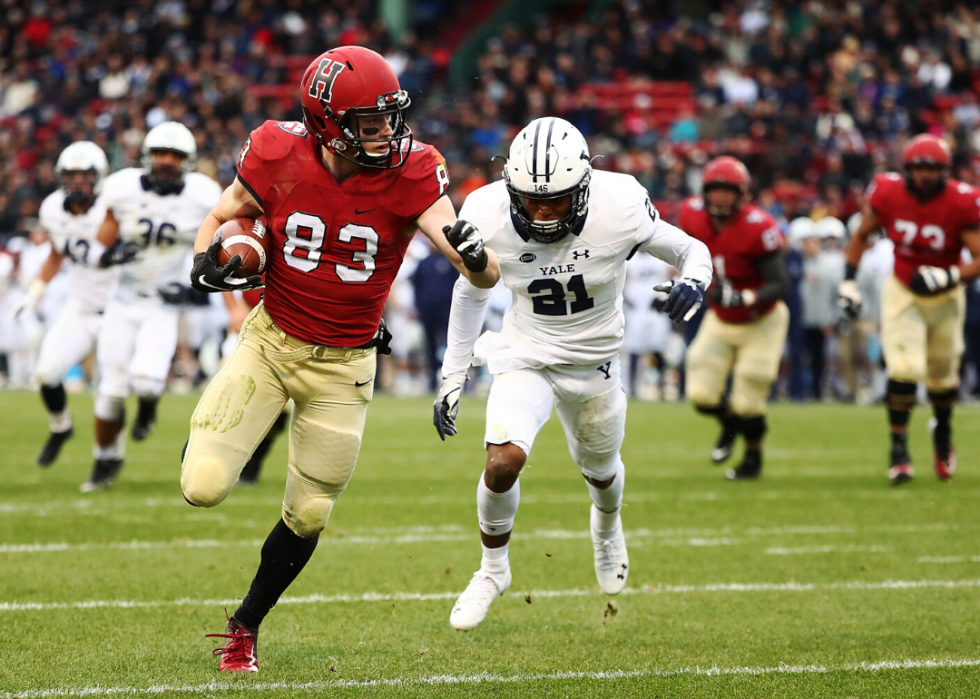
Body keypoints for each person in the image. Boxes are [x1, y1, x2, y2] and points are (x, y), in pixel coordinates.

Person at [179, 46, 500, 672]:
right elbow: (221, 218)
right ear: (326, 121)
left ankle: (245, 625)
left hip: (345, 366)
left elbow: (479, 275)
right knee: (203, 487)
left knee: (311, 511)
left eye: (389, 117)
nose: (385, 132)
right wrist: (208, 263)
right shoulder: (275, 150)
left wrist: (477, 257)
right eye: (369, 122)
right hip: (271, 343)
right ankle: (209, 433)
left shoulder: (415, 170)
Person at [433, 117, 711, 631]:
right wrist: (453, 376)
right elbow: (471, 291)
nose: (541, 212)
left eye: (556, 200)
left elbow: (691, 249)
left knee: (601, 474)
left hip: (595, 360)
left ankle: (607, 529)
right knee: (502, 460)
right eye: (531, 199)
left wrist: (695, 282)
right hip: (526, 353)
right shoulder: (486, 211)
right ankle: (492, 571)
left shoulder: (620, 203)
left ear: (583, 187)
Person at [83, 122, 222, 492]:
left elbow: (220, 247)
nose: (166, 161)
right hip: (123, 299)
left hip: (163, 303)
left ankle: (147, 408)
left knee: (146, 383)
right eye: (161, 153)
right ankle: (105, 457)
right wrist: (111, 256)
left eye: (175, 155)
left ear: (188, 161)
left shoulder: (204, 195)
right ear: (147, 154)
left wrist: (193, 287)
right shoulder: (122, 188)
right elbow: (96, 250)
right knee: (111, 392)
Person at [839, 134, 980, 485]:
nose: (925, 176)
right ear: (907, 169)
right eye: (919, 168)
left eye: (932, 169)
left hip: (947, 296)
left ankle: (943, 431)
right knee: (903, 368)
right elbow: (863, 234)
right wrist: (849, 281)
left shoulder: (963, 201)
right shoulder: (888, 193)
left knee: (942, 376)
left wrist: (947, 274)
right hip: (902, 289)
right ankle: (899, 450)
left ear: (945, 171)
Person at [680, 156, 791, 480]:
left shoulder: (759, 226)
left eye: (727, 191)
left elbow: (781, 283)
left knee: (749, 400)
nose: (720, 198)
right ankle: (728, 423)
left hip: (762, 319)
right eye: (715, 191)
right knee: (701, 395)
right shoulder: (692, 215)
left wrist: (745, 296)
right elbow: (683, 255)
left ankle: (753, 458)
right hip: (722, 317)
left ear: (742, 194)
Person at [13, 142, 110, 466]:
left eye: (85, 175)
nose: (79, 182)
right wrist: (35, 290)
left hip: (118, 310)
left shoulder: (114, 206)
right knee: (46, 373)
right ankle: (61, 426)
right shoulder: (53, 208)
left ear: (99, 177)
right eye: (72, 175)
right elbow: (57, 253)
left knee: (112, 394)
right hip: (80, 306)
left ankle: (107, 458)